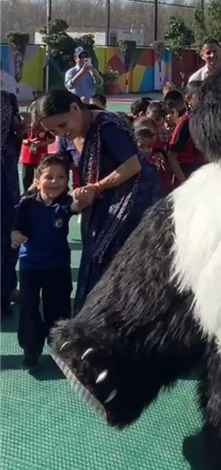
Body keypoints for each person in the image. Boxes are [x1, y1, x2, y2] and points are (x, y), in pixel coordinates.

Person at [34, 90, 160, 312]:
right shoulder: (66, 136)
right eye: (53, 130)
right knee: (93, 256)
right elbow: (57, 166)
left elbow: (132, 166)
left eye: (62, 125)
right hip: (99, 201)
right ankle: (92, 316)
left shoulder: (107, 127)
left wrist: (96, 188)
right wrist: (35, 192)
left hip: (134, 199)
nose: (61, 133)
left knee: (118, 258)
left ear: (75, 108)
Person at [10, 155, 80, 371]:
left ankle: (59, 348)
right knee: (29, 309)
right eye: (49, 177)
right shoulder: (27, 204)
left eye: (61, 177)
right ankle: (31, 350)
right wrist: (15, 236)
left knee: (58, 309)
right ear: (37, 181)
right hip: (30, 265)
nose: (55, 181)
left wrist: (82, 197)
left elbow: (76, 206)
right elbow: (16, 227)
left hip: (57, 265)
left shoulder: (65, 203)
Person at [0, 83, 21, 315]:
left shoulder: (8, 99)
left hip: (7, 178)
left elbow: (18, 131)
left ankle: (5, 291)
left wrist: (26, 127)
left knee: (9, 234)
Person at [165, 86, 204, 186]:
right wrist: (184, 182)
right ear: (189, 98)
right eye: (199, 96)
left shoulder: (203, 119)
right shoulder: (185, 123)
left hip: (201, 173)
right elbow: (172, 156)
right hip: (187, 172)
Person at [20, 104, 53, 192]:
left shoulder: (45, 124)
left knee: (41, 177)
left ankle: (40, 194)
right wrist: (27, 142)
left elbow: (52, 139)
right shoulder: (26, 124)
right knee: (26, 179)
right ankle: (27, 195)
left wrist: (42, 143)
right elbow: (21, 138)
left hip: (41, 155)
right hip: (28, 155)